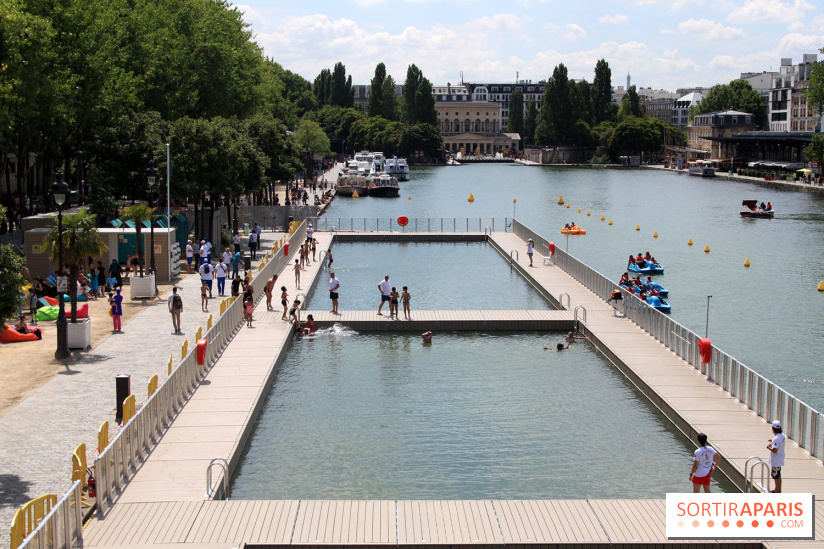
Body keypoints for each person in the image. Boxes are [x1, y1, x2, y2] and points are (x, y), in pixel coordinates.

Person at [767, 420, 785, 493]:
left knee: (776, 476)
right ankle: (777, 489)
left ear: (773, 428)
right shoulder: (782, 436)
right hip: (780, 458)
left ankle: (778, 490)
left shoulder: (776, 438)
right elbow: (778, 442)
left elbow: (774, 450)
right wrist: (772, 440)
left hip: (776, 460)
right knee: (778, 475)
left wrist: (768, 447)